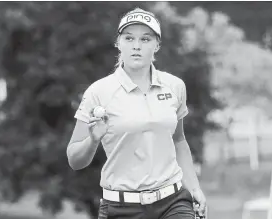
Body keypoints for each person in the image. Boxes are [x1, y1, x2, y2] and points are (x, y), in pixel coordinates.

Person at [67, 7, 207, 219]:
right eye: (129, 38)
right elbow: (74, 160)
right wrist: (93, 140)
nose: (136, 46)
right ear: (118, 43)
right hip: (122, 208)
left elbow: (179, 141)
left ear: (157, 45)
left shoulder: (175, 86)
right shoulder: (98, 92)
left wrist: (194, 187)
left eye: (146, 39)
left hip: (173, 202)